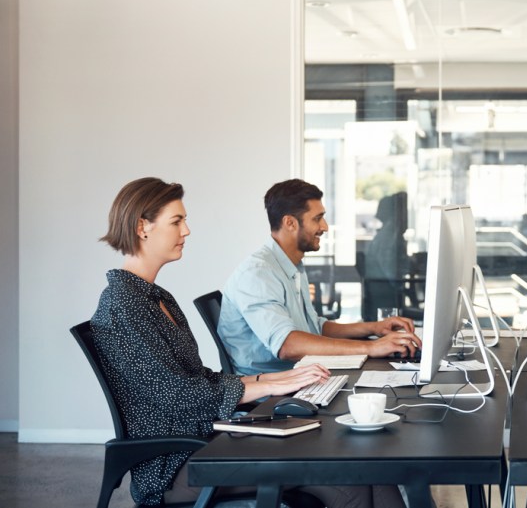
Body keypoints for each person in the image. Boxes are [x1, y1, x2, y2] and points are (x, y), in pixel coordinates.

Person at [90, 177, 404, 507]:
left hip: (205, 437)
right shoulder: (123, 304)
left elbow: (196, 379)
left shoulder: (156, 298)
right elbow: (175, 395)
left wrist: (266, 379)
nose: (187, 231)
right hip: (174, 463)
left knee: (370, 470)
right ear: (143, 227)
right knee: (347, 481)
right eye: (177, 221)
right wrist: (263, 387)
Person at [219, 179, 422, 376]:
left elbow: (315, 327)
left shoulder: (292, 265)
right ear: (290, 223)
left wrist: (375, 327)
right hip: (272, 393)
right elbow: (287, 345)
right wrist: (371, 347)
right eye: (317, 218)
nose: (324, 227)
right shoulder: (258, 274)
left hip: (303, 374)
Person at [361, 191, 412, 322]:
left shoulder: (389, 233)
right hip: (383, 292)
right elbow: (389, 266)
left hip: (380, 289)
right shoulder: (389, 234)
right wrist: (400, 286)